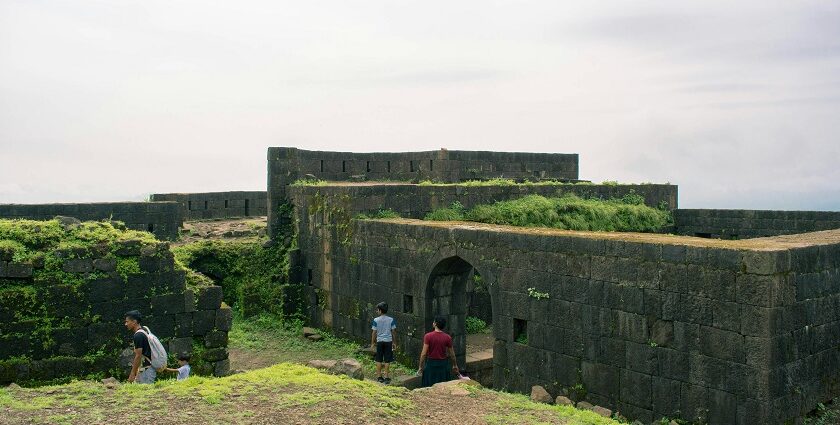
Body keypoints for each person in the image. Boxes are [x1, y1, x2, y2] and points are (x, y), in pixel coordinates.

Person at [417, 315, 460, 387]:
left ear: (435, 324)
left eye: (434, 322)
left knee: (429, 385)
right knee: (443, 385)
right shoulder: (447, 337)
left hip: (431, 364)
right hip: (443, 365)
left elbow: (423, 354)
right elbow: (452, 354)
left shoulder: (428, 336)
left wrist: (420, 367)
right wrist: (454, 365)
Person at [124, 310, 155, 384]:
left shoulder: (138, 335)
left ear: (134, 322)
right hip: (148, 369)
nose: (126, 324)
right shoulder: (144, 331)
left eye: (127, 321)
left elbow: (138, 356)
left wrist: (132, 373)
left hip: (146, 370)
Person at [370, 302, 397, 384]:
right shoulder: (391, 320)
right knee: (387, 360)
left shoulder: (376, 320)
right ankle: (386, 377)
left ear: (380, 310)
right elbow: (393, 332)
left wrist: (372, 343)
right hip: (388, 341)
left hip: (380, 341)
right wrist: (394, 342)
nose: (377, 311)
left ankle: (379, 376)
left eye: (377, 310)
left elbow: (374, 332)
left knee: (379, 359)